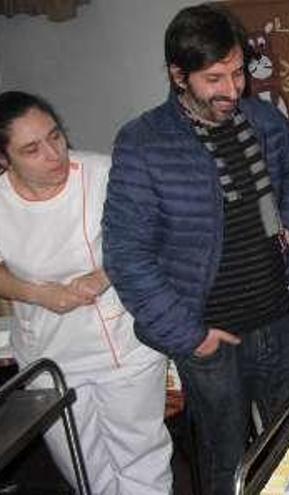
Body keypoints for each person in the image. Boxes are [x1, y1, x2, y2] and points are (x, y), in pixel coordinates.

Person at [102, 4, 289, 494]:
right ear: (179, 75)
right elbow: (126, 256)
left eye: (238, 72)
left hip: (277, 319)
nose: (232, 89)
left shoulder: (259, 119)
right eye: (214, 77)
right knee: (228, 461)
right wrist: (189, 335)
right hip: (211, 338)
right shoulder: (143, 142)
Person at [0, 91, 173, 494]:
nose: (54, 154)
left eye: (55, 136)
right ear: (5, 159)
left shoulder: (103, 173)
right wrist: (36, 293)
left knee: (141, 460)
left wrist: (105, 274)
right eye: (32, 149)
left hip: (123, 345)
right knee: (83, 465)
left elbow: (156, 233)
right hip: (49, 353)